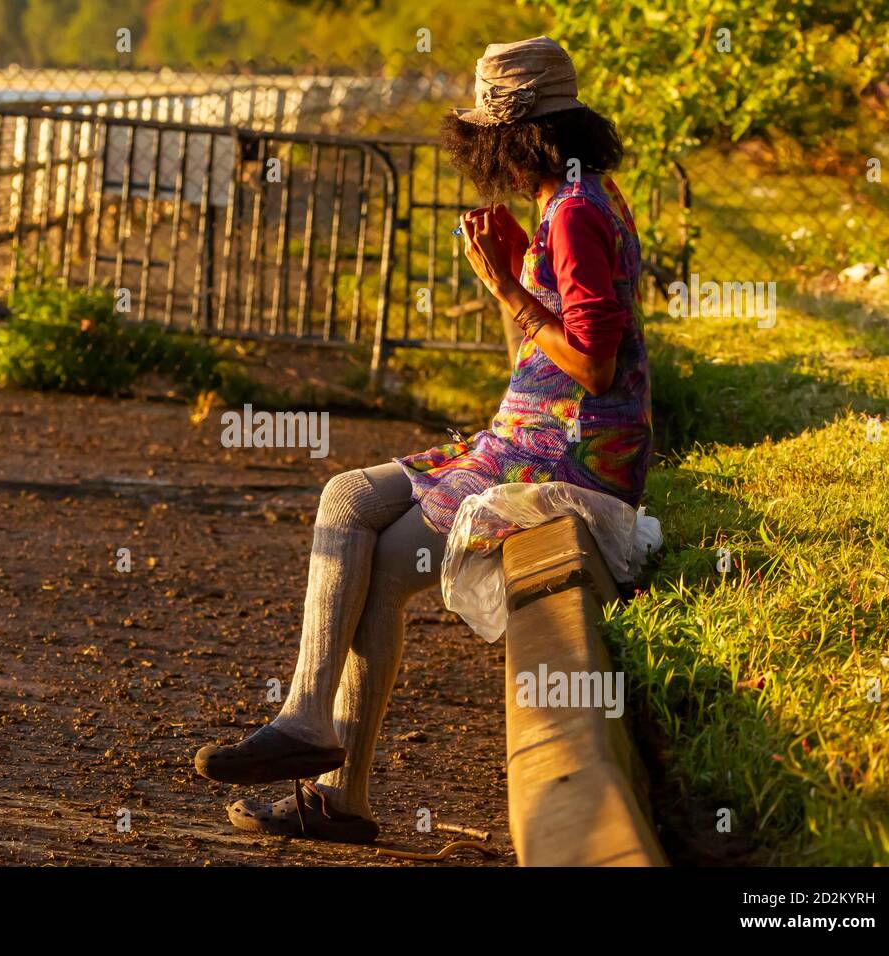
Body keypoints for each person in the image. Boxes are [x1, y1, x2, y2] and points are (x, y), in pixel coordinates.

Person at [193, 35, 653, 844]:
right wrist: (515, 273)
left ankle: (337, 790)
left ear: (519, 136)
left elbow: (593, 361)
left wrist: (505, 285)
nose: (485, 159)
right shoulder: (578, 195)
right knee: (346, 497)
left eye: (489, 140)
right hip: (527, 436)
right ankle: (308, 723)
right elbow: (552, 346)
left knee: (371, 571)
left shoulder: (576, 213)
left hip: (569, 460)